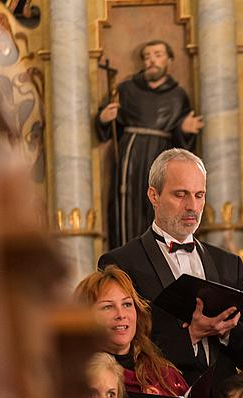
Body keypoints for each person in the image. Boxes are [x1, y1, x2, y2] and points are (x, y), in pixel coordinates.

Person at [98, 148, 243, 391]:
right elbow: (120, 347)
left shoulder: (229, 264)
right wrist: (191, 335)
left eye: (199, 195)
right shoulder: (122, 263)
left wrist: (225, 331)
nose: (192, 206)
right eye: (181, 195)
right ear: (153, 195)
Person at [96, 40, 203, 248]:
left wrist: (184, 130)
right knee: (129, 206)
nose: (152, 60)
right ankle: (128, 252)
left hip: (162, 156)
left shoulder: (177, 95)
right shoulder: (126, 89)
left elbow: (180, 140)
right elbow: (110, 127)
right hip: (132, 159)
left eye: (157, 55)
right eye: (147, 56)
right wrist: (104, 118)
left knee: (164, 204)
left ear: (169, 60)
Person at [75, 265, 188, 397]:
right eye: (108, 307)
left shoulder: (165, 375)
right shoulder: (76, 379)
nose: (121, 314)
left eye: (127, 304)